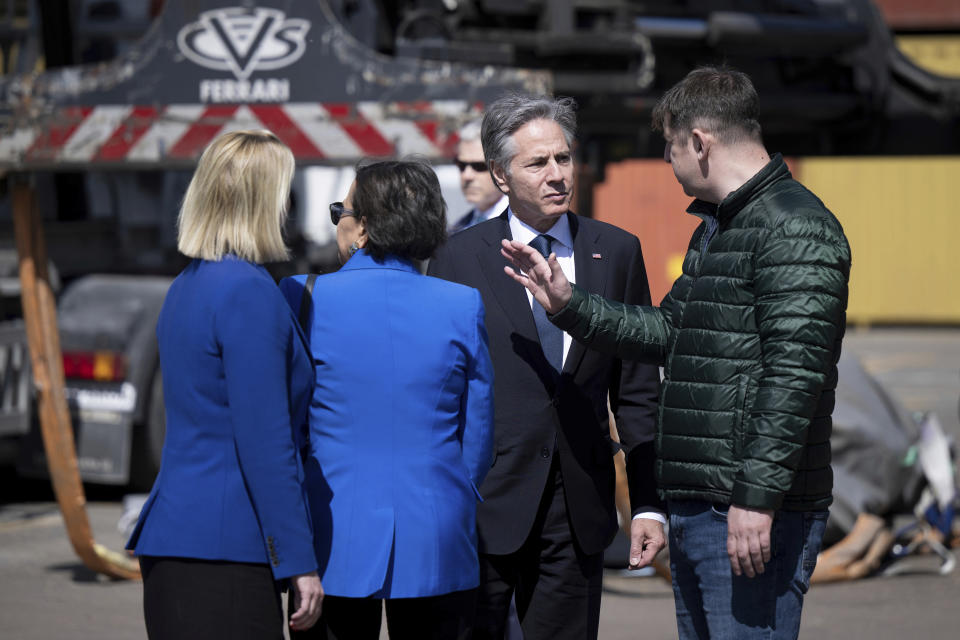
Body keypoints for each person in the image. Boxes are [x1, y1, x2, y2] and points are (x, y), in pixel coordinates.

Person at [500, 66, 852, 640]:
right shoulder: (723, 226)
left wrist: (756, 500)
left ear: (700, 142)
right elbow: (668, 330)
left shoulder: (794, 227)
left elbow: (795, 376)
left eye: (669, 146)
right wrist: (568, 303)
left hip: (745, 512)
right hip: (704, 506)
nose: (667, 161)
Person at [428, 95, 665, 640]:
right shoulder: (458, 258)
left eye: (564, 158)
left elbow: (636, 392)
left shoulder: (617, 251)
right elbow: (440, 388)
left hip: (577, 507)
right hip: (481, 504)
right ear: (500, 174)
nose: (558, 175)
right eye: (538, 163)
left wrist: (649, 504)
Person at [279, 159, 495, 640]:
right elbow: (477, 435)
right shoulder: (462, 304)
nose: (338, 221)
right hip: (437, 529)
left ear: (364, 229)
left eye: (342, 211)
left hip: (331, 531)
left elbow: (287, 426)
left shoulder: (301, 296)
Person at [126, 130, 323, 639]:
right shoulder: (248, 293)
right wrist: (298, 559)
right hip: (225, 548)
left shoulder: (187, 285)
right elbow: (265, 441)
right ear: (264, 202)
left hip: (178, 538)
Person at [449, 119, 510, 233]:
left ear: (502, 169)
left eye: (479, 166)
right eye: (461, 165)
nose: (467, 176)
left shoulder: (521, 227)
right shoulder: (457, 229)